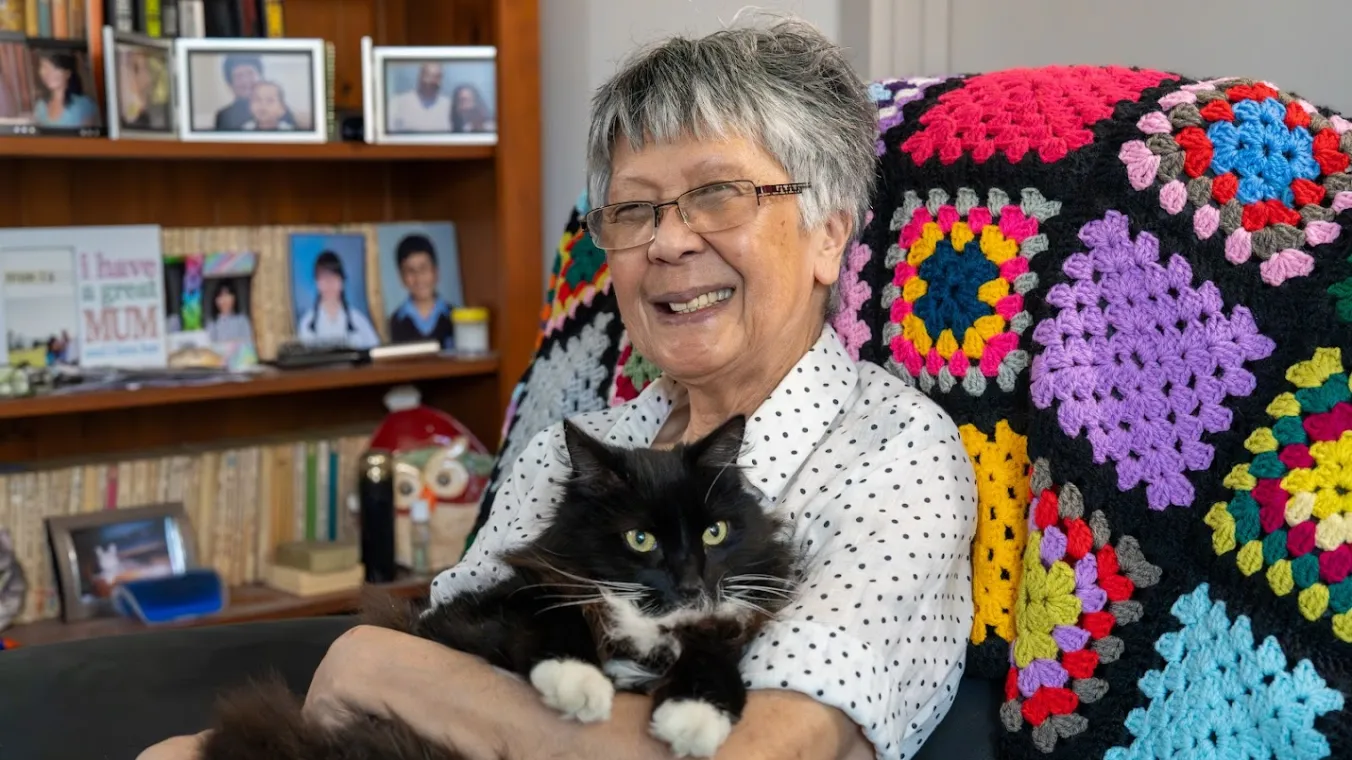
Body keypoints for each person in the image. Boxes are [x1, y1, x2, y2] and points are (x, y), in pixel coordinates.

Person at [140, 16, 976, 760]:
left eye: (717, 196)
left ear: (830, 235)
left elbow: (766, 751)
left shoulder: (896, 456)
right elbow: (447, 646)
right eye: (633, 210)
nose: (669, 242)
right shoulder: (567, 453)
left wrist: (372, 664)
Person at [294, 250, 380, 350]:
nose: (329, 283)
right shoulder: (306, 323)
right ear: (316, 283)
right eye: (324, 278)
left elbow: (376, 354)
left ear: (342, 282)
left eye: (334, 277)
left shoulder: (359, 321)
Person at [387, 233, 455, 347]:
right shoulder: (395, 322)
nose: (418, 278)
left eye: (424, 268)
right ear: (401, 277)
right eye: (410, 271)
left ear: (436, 272)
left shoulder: (454, 316)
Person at [213, 54, 294, 131]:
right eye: (239, 76)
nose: (246, 81)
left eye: (250, 73)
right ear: (230, 84)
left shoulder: (278, 108)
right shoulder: (224, 116)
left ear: (261, 77)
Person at [33, 51, 99, 129]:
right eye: (44, 66)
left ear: (68, 73)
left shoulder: (84, 105)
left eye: (55, 67)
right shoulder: (40, 106)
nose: (48, 72)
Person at [387, 62, 451, 133]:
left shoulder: (449, 106)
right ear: (420, 77)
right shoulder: (398, 103)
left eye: (438, 77)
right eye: (430, 76)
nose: (434, 81)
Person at [205, 281, 254, 345]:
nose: (224, 300)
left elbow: (249, 342)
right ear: (216, 301)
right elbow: (209, 345)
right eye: (220, 296)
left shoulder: (242, 320)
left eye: (227, 295)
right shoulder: (212, 323)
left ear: (234, 298)